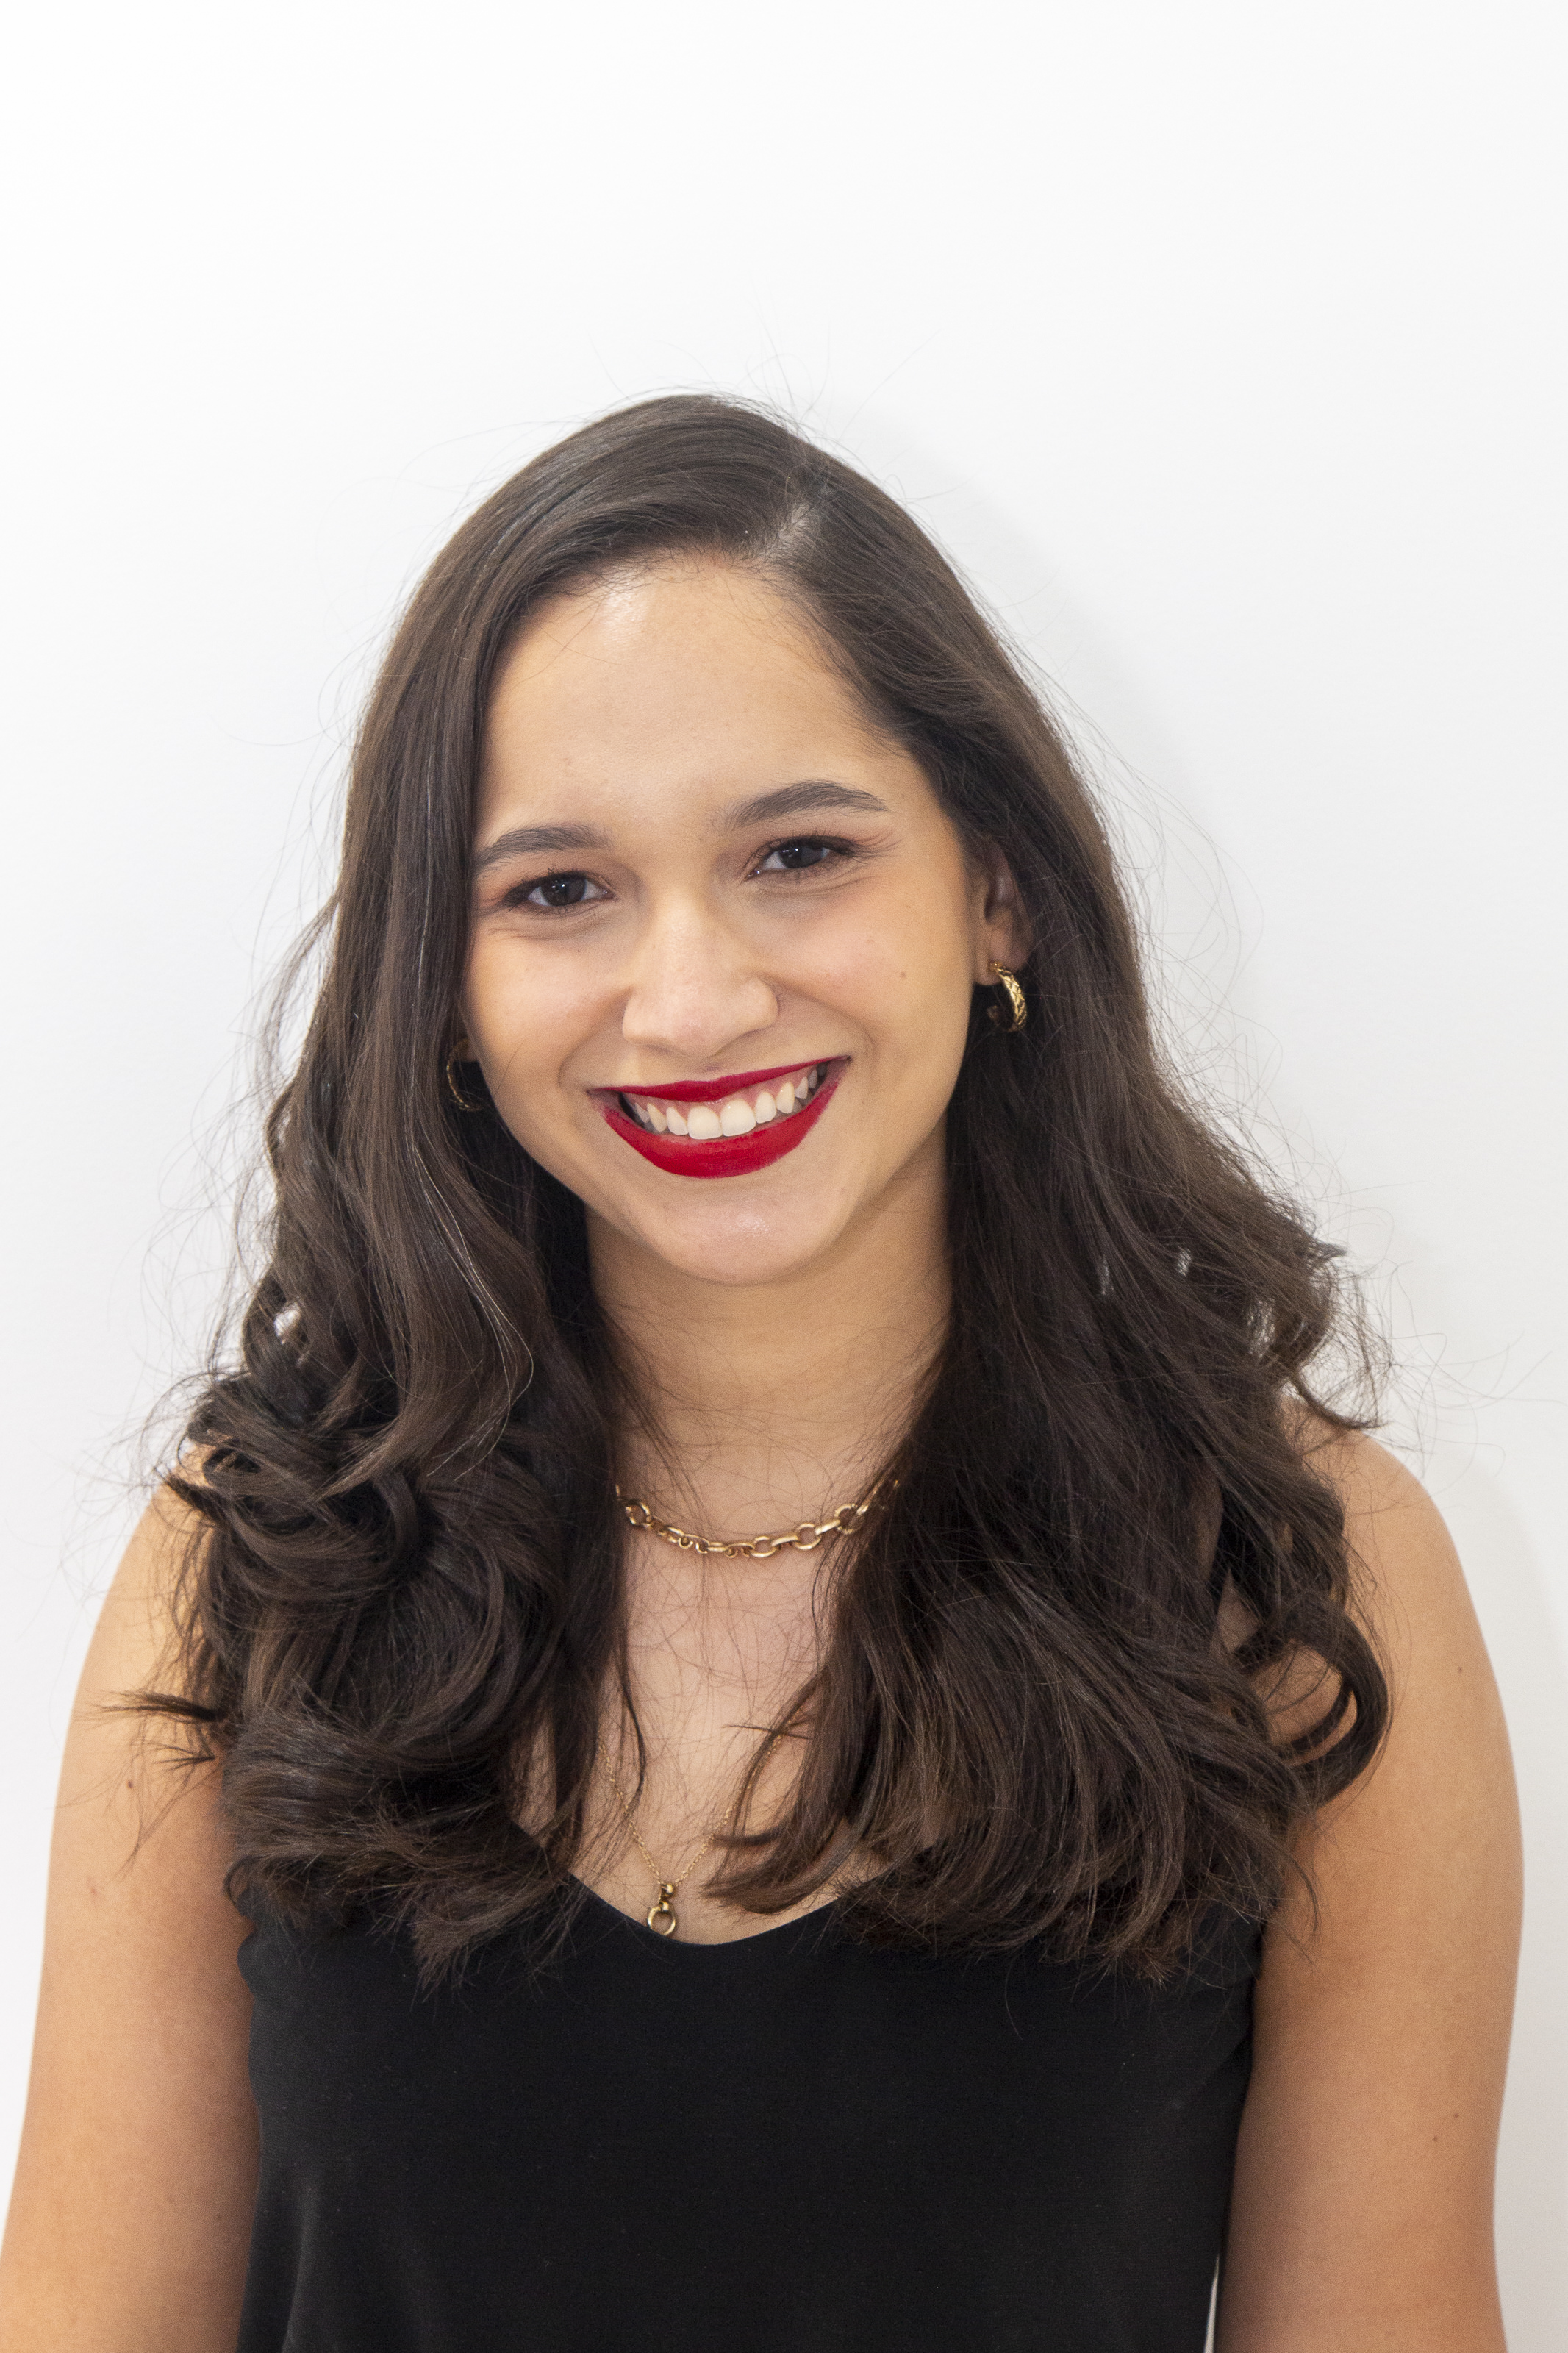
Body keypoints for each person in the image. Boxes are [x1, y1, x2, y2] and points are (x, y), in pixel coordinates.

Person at [0, 397, 1521, 2353]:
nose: (695, 1000)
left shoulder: (1296, 1576)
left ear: (996, 889)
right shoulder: (259, 1561)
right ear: (443, 982)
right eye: (558, 890)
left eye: (799, 854)